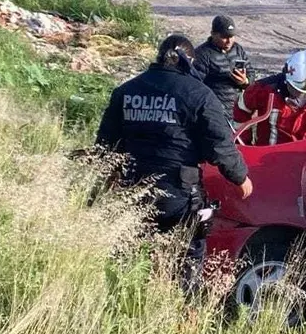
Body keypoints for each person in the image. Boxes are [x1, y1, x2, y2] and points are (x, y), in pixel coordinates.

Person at [96, 34, 253, 233]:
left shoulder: (125, 91)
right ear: (191, 61)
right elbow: (220, 144)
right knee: (186, 251)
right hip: (177, 190)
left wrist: (106, 177)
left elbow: (106, 142)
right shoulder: (200, 94)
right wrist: (240, 177)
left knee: (132, 247)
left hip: (132, 186)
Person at [233, 49, 306, 146]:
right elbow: (242, 108)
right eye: (297, 90)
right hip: (269, 158)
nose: (304, 96)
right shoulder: (265, 89)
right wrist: (244, 143)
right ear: (287, 77)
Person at [194, 15, 251, 117]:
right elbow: (196, 86)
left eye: (232, 36)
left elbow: (251, 74)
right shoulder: (202, 54)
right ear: (213, 34)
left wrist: (245, 82)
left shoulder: (238, 50)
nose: (229, 41)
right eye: (224, 37)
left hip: (237, 111)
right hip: (215, 112)